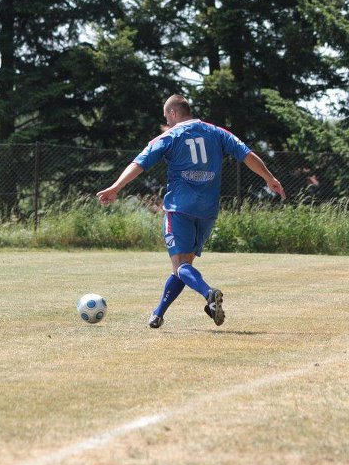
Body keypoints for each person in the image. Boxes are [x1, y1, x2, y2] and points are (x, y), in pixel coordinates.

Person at [96, 94, 285, 328]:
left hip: (179, 208)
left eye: (167, 117)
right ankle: (157, 314)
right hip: (207, 211)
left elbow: (139, 163)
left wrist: (116, 187)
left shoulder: (171, 136)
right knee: (184, 268)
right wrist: (270, 177)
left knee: (181, 267)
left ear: (174, 113)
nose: (167, 122)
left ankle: (209, 293)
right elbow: (246, 154)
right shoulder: (216, 132)